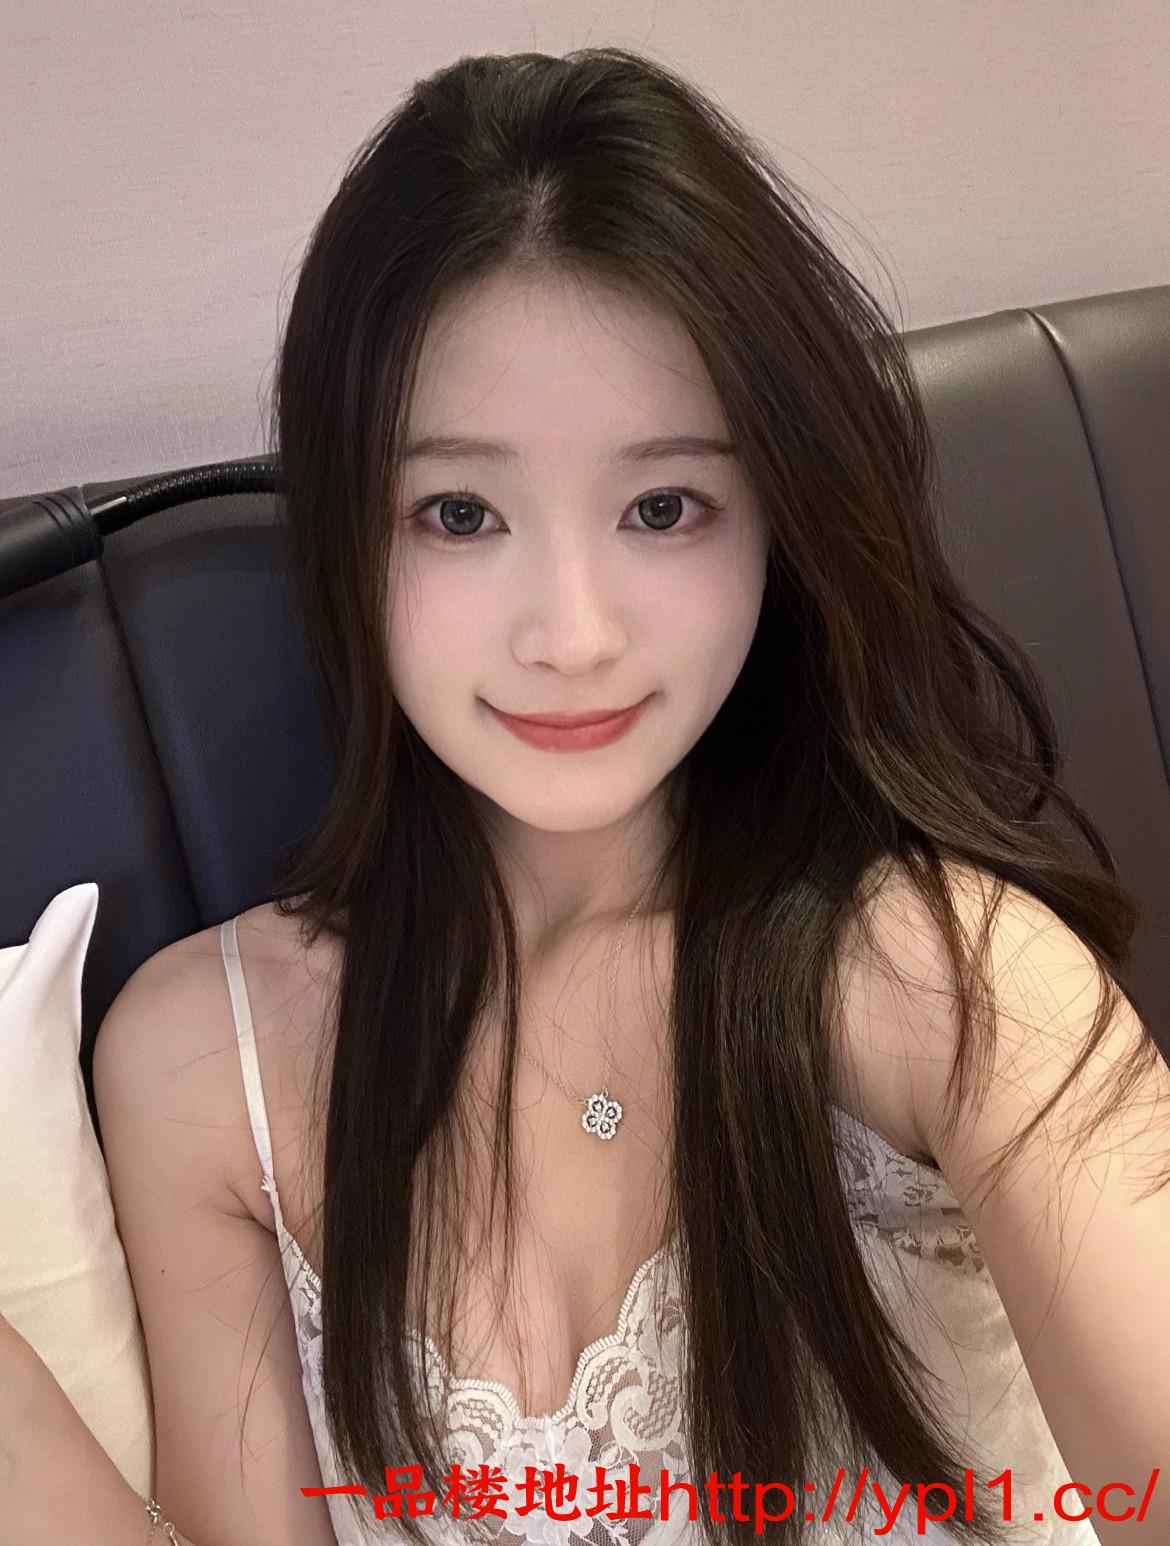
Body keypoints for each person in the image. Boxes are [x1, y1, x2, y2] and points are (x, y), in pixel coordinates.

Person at [2, 44, 1168, 1546]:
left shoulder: (944, 982)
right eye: (459, 512)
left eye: (663, 505)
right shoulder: (201, 1068)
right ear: (349, 531)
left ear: (779, 518)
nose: (572, 633)